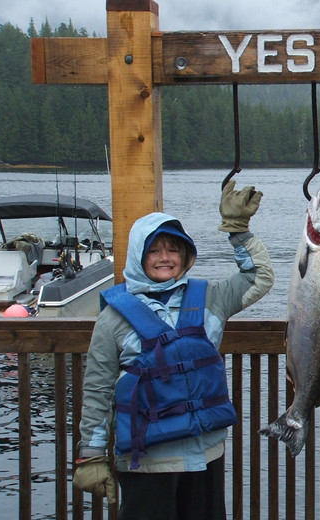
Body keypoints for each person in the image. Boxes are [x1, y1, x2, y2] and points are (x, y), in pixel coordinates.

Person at [72, 180, 274, 520]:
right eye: (154, 250)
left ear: (185, 255)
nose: (165, 258)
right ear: (139, 256)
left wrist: (238, 230)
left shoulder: (211, 297)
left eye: (173, 249)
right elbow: (97, 389)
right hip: (146, 463)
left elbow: (259, 277)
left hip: (205, 456)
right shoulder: (113, 318)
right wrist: (91, 455)